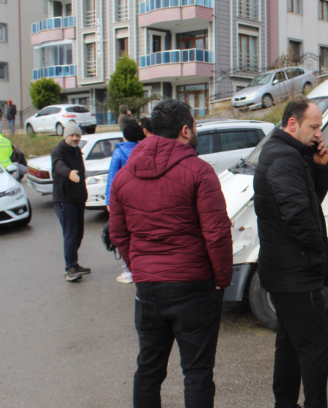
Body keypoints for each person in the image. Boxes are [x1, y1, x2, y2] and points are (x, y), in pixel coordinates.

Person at [108, 99, 232, 408]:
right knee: (198, 372)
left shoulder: (124, 176)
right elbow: (216, 232)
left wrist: (138, 267)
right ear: (185, 129)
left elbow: (119, 233)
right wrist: (222, 278)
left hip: (149, 287)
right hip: (194, 284)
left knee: (149, 370)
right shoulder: (199, 171)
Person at [254, 97, 328, 408]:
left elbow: (310, 199)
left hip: (287, 270)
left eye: (320, 127)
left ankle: (284, 403)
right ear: (292, 124)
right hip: (294, 271)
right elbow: (299, 216)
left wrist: (320, 168)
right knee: (315, 345)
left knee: (289, 342)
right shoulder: (284, 157)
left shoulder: (291, 153)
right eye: (314, 127)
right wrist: (318, 251)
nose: (318, 134)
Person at [105, 122, 145, 284]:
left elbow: (112, 179)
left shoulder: (119, 153)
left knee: (123, 235)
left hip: (123, 201)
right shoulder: (144, 151)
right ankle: (142, 266)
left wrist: (109, 201)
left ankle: (128, 271)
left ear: (124, 136)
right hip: (142, 200)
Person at [51, 123, 91, 282]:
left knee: (79, 233)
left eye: (78, 135)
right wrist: (69, 174)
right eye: (72, 135)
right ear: (65, 136)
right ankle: (70, 268)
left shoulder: (76, 151)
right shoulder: (58, 151)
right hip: (64, 198)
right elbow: (59, 166)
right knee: (71, 233)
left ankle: (74, 263)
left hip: (78, 197)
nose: (75, 138)